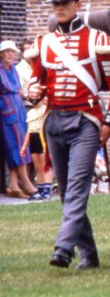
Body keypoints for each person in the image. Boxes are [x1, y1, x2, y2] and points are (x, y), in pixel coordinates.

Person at [27, 0, 110, 269]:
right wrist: (32, 91)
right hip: (54, 121)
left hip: (86, 121)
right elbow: (35, 81)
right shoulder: (43, 43)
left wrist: (109, 123)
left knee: (78, 187)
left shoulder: (98, 39)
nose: (59, 8)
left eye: (65, 2)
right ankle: (89, 253)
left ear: (77, 3)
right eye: (55, 2)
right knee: (66, 191)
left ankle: (64, 247)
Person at [1, 40, 36, 198]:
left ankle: (13, 185)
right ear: (1, 53)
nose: (10, 54)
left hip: (19, 108)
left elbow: (20, 89)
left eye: (12, 51)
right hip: (7, 110)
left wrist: (30, 96)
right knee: (15, 146)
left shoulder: (13, 69)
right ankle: (27, 183)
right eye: (7, 51)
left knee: (22, 144)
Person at [17, 40, 51, 200]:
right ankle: (42, 188)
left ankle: (47, 188)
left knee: (45, 158)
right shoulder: (21, 70)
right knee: (36, 158)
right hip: (33, 117)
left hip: (44, 116)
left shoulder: (45, 67)